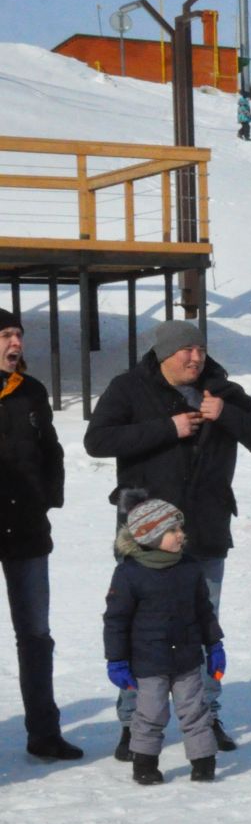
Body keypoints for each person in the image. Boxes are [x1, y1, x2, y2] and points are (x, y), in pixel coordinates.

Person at [84, 319, 251, 757]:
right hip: (145, 533)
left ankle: (207, 717)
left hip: (206, 527)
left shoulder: (224, 392)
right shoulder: (129, 388)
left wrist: (227, 416)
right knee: (141, 627)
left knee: (204, 625)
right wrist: (167, 428)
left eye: (199, 350)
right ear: (163, 354)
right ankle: (134, 724)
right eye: (185, 351)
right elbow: (96, 441)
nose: (195, 358)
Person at [0, 309, 80, 762]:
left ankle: (44, 734)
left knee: (35, 635)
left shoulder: (31, 392)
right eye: (6, 335)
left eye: (18, 335)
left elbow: (52, 451)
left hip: (28, 531)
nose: (16, 343)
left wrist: (46, 498)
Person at [104, 499, 223, 785]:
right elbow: (116, 621)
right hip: (148, 661)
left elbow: (204, 610)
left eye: (180, 527)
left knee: (195, 711)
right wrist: (117, 660)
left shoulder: (189, 567)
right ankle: (144, 765)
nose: (181, 534)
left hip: (187, 658)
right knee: (150, 715)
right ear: (149, 536)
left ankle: (203, 763)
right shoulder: (129, 574)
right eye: (172, 530)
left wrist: (214, 644)